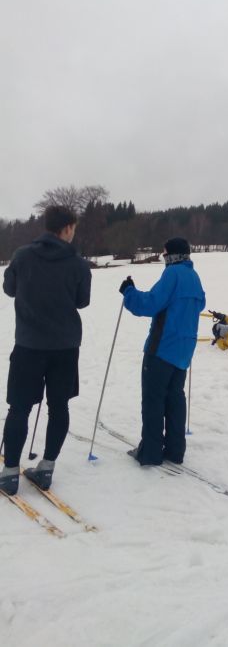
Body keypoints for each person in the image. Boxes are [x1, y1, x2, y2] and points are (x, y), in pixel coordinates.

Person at [0, 206, 91, 495]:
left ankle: (10, 472)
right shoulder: (78, 264)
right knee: (59, 406)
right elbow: (82, 301)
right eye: (73, 228)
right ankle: (47, 468)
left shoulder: (22, 256)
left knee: (20, 407)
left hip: (29, 345)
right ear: (65, 228)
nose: (73, 233)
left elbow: (10, 289)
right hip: (65, 347)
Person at [119, 237, 205, 466]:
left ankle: (151, 452)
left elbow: (150, 304)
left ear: (173, 255)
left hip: (161, 349)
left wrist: (129, 292)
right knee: (175, 398)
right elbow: (198, 304)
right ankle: (175, 451)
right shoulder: (194, 277)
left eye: (165, 253)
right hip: (183, 352)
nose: (163, 257)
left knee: (153, 400)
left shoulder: (172, 274)